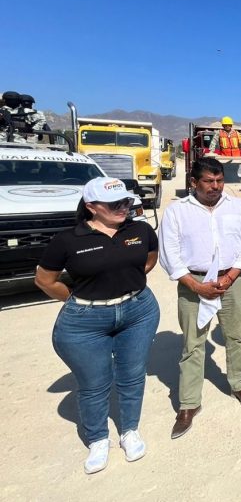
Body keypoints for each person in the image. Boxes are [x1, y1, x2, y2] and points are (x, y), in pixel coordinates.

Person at [34, 177, 160, 474]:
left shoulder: (140, 230)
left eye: (126, 202)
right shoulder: (68, 240)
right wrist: (75, 300)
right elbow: (44, 280)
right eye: (114, 204)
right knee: (94, 384)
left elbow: (149, 260)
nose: (123, 208)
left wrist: (125, 281)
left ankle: (129, 430)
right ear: (91, 207)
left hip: (138, 311)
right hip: (86, 321)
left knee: (132, 376)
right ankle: (98, 438)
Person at [159, 157, 241, 439]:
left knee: (236, 337)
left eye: (219, 181)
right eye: (208, 181)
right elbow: (170, 253)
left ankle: (240, 384)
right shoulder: (177, 211)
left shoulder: (237, 207)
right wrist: (195, 285)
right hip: (194, 282)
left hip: (232, 279)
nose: (215, 187)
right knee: (193, 344)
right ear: (194, 182)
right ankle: (189, 403)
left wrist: (229, 278)